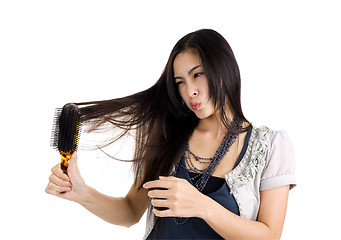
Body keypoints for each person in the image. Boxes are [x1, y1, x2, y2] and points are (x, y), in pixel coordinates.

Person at [46, 29, 296, 239]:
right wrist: (82, 193)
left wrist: (202, 205)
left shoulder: (270, 145)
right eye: (180, 82)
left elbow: (269, 235)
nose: (190, 92)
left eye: (197, 75)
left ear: (224, 68)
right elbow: (131, 211)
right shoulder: (166, 136)